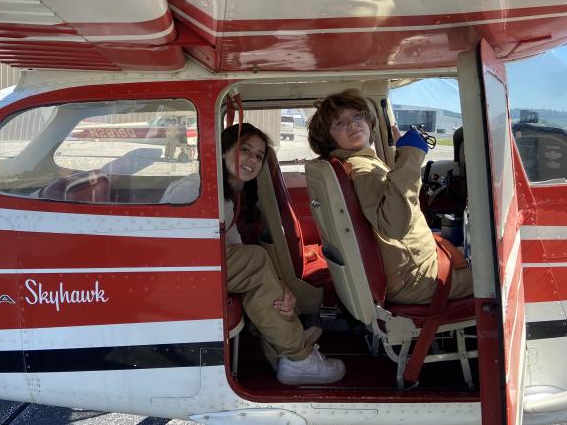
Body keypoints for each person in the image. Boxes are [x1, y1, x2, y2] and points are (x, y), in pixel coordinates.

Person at [161, 123, 346, 385]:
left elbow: (235, 245)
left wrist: (281, 289)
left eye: (259, 156)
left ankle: (287, 353)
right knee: (255, 260)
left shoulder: (227, 196)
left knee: (255, 259)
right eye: (244, 150)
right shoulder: (193, 190)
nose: (252, 159)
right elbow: (172, 249)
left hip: (200, 267)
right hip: (178, 273)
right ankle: (298, 356)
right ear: (224, 151)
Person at [307, 89, 473, 305]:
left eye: (357, 116)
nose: (352, 125)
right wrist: (411, 155)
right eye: (339, 123)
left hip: (412, 268)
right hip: (418, 278)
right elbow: (394, 225)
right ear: (329, 137)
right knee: (499, 265)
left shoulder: (360, 162)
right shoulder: (361, 169)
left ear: (368, 120)